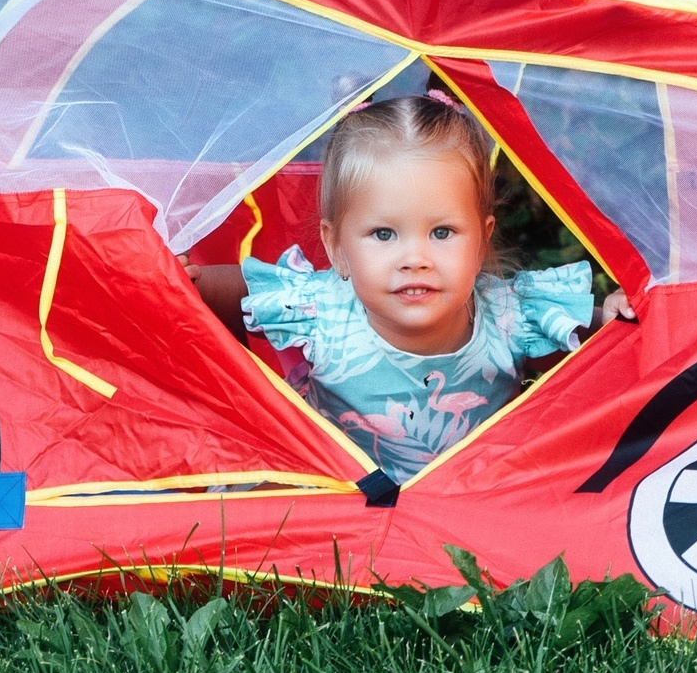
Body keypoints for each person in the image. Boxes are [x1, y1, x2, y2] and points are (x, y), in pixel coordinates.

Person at [190, 91, 634, 483]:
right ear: (337, 248)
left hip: (465, 512)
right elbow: (206, 293)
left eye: (442, 232)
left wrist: (614, 312)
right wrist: (171, 277)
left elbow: (600, 339)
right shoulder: (319, 307)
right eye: (384, 234)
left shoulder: (511, 315)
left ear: (481, 241)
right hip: (344, 512)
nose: (415, 258)